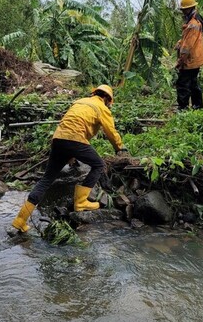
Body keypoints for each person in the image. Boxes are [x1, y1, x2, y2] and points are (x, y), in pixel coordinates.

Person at [11, 85, 127, 233]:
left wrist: (70, 154)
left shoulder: (80, 101)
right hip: (75, 139)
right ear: (107, 99)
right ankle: (81, 202)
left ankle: (20, 220)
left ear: (94, 93)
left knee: (46, 180)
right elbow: (111, 131)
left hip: (59, 139)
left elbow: (72, 124)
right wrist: (119, 148)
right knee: (98, 165)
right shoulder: (101, 107)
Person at [174, 0, 203, 111]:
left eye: (183, 9)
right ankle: (198, 106)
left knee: (183, 84)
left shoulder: (193, 24)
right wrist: (179, 42)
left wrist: (180, 61)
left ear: (189, 8)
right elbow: (187, 39)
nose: (182, 12)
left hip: (190, 60)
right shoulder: (194, 21)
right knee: (193, 83)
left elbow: (187, 46)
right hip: (195, 59)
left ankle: (183, 108)